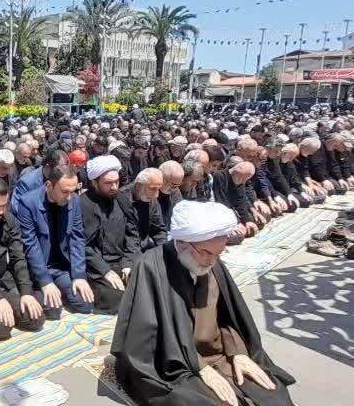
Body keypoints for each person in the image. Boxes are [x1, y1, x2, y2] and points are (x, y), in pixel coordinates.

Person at [112, 201, 296, 406]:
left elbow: (227, 317)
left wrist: (237, 352)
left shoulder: (212, 262)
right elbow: (148, 341)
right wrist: (199, 366)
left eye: (218, 254)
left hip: (219, 354)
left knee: (272, 393)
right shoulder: (150, 267)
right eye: (206, 253)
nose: (211, 262)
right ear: (182, 242)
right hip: (174, 365)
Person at [11, 164, 92, 316]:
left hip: (60, 267)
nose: (69, 197)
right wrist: (45, 281)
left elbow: (77, 238)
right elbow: (30, 245)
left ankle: (61, 290)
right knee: (53, 310)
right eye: (65, 192)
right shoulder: (28, 203)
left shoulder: (74, 200)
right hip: (39, 267)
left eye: (73, 191)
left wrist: (79, 275)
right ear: (49, 185)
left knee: (85, 303)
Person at [0, 178, 44, 340]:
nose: (0, 211)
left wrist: (25, 292)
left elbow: (18, 257)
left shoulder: (9, 220)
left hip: (5, 279)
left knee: (35, 319)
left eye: (4, 206)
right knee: (1, 329)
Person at [80, 155, 141, 314]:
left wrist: (129, 263)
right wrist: (105, 271)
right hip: (97, 268)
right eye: (108, 183)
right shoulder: (84, 204)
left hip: (123, 261)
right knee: (116, 300)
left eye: (116, 182)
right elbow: (83, 246)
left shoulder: (121, 199)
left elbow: (132, 234)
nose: (114, 187)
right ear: (95, 183)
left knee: (146, 289)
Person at [126, 168, 169, 251]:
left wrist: (165, 251)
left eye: (158, 189)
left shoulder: (152, 199)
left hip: (145, 248)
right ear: (138, 186)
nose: (156, 195)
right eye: (153, 189)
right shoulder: (120, 200)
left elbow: (159, 230)